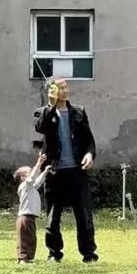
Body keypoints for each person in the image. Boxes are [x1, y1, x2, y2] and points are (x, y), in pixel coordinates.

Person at [34, 79, 98, 263]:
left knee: (84, 215)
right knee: (53, 216)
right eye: (60, 88)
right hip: (54, 172)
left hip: (77, 171)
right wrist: (50, 105)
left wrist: (89, 154)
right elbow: (41, 127)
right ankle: (54, 253)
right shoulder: (43, 112)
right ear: (51, 91)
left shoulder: (79, 112)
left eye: (66, 87)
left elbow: (89, 140)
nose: (65, 91)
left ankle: (89, 254)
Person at [14, 152, 47, 264]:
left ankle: (29, 258)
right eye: (29, 171)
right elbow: (32, 178)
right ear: (23, 177)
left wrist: (46, 171)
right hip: (24, 217)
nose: (33, 172)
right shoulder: (24, 186)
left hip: (30, 217)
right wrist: (39, 163)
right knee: (24, 238)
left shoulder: (31, 188)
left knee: (31, 237)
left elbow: (38, 182)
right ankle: (23, 258)